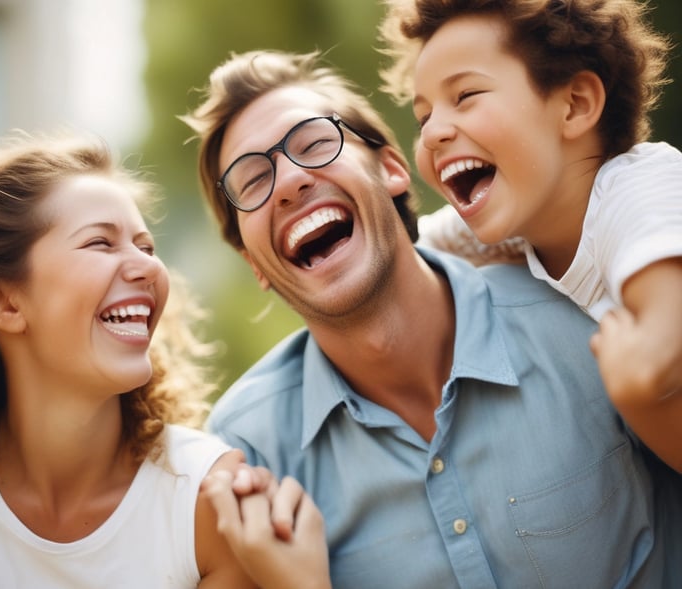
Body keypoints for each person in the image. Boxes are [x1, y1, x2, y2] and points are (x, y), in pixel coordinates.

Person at [182, 49, 681, 588]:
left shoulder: (582, 314)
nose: (288, 183)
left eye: (315, 143)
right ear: (254, 263)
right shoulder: (246, 457)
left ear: (393, 171)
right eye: (253, 182)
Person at [0, 131, 328, 589]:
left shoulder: (207, 501)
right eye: (100, 244)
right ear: (5, 304)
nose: (149, 267)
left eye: (146, 247)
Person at [378, 0, 682, 472]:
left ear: (575, 105)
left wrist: (644, 368)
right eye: (423, 117)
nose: (433, 132)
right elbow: (402, 262)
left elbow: (666, 326)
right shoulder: (509, 228)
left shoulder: (639, 187)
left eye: (465, 95)